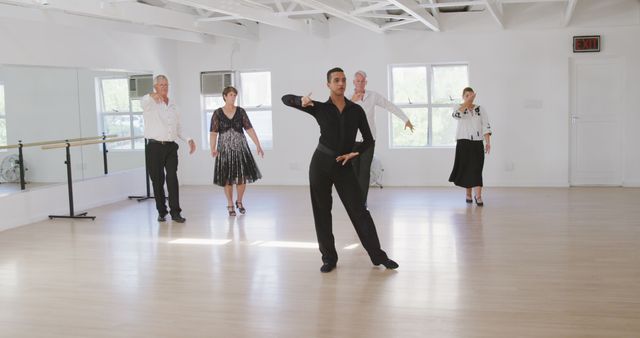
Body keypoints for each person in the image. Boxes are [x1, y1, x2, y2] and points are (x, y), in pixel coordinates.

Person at [281, 67, 398, 273]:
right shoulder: (319, 108)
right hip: (320, 165)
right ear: (328, 84)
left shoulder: (356, 110)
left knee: (359, 211)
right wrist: (301, 100)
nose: (341, 83)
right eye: (336, 80)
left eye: (343, 80)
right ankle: (329, 258)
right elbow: (285, 99)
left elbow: (369, 140)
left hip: (344, 165)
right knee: (322, 212)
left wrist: (355, 153)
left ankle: (378, 256)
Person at [351, 70, 414, 206]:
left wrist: (405, 119)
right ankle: (354, 201)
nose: (360, 83)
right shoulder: (347, 99)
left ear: (366, 82)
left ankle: (362, 203)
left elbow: (389, 105)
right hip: (352, 140)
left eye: (363, 81)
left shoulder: (373, 96)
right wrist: (351, 101)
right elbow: (340, 114)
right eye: (358, 81)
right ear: (354, 82)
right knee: (354, 172)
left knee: (364, 171)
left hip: (369, 139)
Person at [142, 74, 196, 223]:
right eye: (161, 85)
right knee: (157, 181)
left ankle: (176, 212)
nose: (164, 88)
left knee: (172, 178)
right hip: (154, 147)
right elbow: (143, 102)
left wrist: (189, 139)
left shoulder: (174, 106)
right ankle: (161, 211)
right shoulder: (150, 103)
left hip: (171, 147)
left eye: (166, 85)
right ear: (155, 87)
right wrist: (152, 95)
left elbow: (178, 128)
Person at [210, 86, 264, 216]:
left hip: (240, 149)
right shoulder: (217, 113)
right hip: (224, 150)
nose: (233, 97)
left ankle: (239, 201)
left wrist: (258, 144)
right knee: (227, 179)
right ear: (224, 96)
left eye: (235, 95)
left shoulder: (241, 112)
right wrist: (213, 148)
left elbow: (249, 129)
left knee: (241, 178)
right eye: (230, 95)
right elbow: (213, 132)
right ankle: (229, 203)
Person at [448, 87, 492, 206]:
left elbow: (486, 126)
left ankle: (478, 196)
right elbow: (456, 115)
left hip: (477, 143)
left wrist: (488, 142)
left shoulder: (480, 109)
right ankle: (468, 194)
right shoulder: (458, 107)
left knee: (477, 170)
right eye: (467, 95)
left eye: (471, 95)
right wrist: (467, 102)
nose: (470, 97)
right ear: (463, 96)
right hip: (463, 142)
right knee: (467, 169)